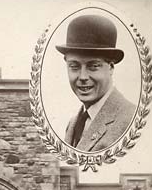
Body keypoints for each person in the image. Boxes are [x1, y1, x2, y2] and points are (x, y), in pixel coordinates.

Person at [56, 14, 136, 152]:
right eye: (74, 66)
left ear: (111, 67)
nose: (82, 77)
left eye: (93, 66)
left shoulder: (130, 120)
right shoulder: (73, 124)